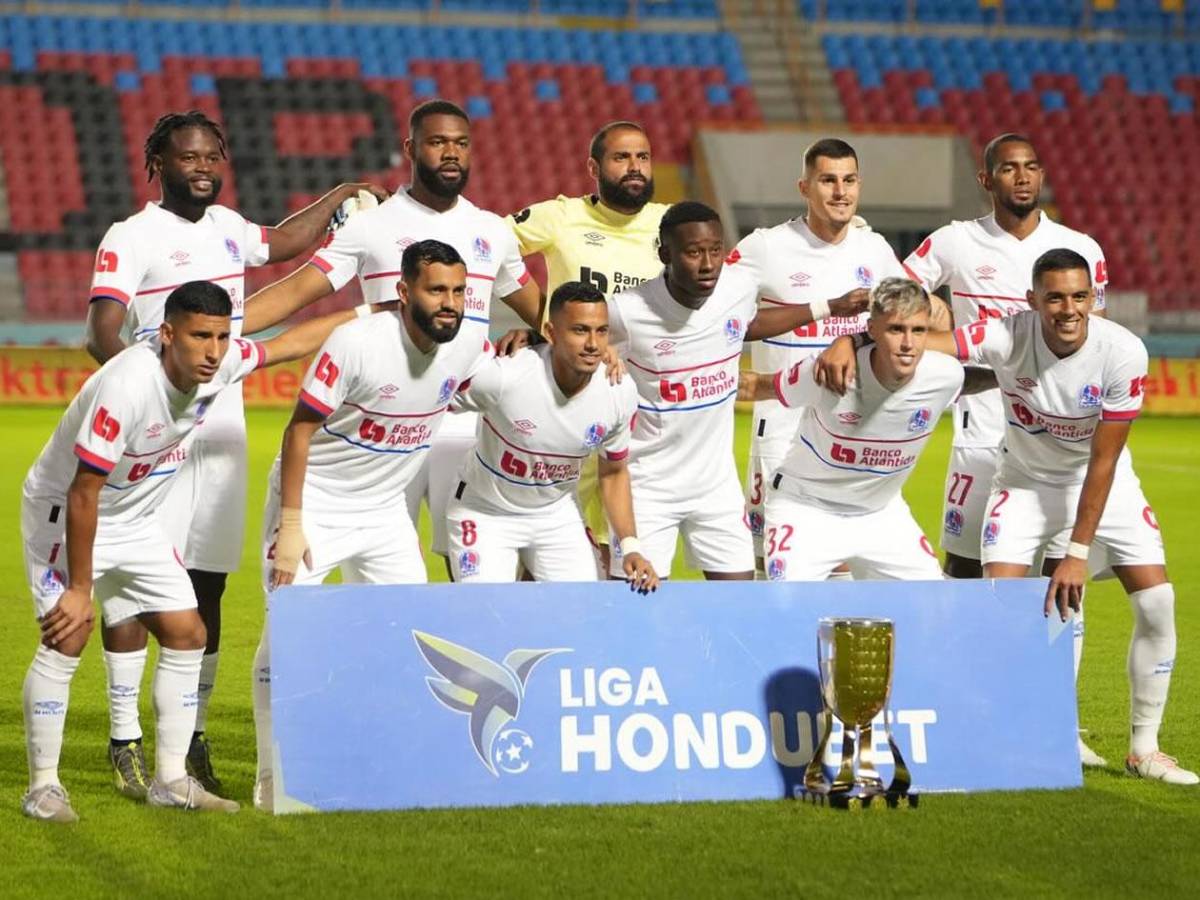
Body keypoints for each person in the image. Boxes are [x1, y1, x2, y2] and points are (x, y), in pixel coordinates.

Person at [84, 109, 386, 797]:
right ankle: (125, 738)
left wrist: (338, 195)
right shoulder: (131, 236)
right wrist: (145, 397)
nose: (201, 168)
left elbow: (282, 242)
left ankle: (189, 739)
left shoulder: (227, 229)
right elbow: (101, 331)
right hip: (154, 437)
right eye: (186, 157)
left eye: (210, 158)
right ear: (154, 163)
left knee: (209, 584)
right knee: (133, 583)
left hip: (221, 433)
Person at [815, 248, 1194, 786]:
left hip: (1103, 486)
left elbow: (1103, 462)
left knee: (1158, 602)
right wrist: (850, 338)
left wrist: (1076, 554)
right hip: (1023, 486)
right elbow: (916, 339)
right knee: (1001, 612)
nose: (1069, 309)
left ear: (1094, 299)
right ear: (1032, 300)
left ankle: (1144, 748)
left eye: (1080, 296)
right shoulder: (1005, 335)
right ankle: (1021, 734)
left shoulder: (1124, 352)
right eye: (1056, 297)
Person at [20, 281, 374, 822]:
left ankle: (170, 779)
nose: (212, 351)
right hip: (63, 515)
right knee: (68, 634)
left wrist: (369, 310)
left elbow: (286, 344)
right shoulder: (128, 386)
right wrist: (79, 589)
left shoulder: (222, 362)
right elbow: (82, 490)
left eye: (221, 337)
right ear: (166, 334)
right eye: (198, 337)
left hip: (134, 518)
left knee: (188, 633)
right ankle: (42, 788)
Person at [243, 99, 541, 569]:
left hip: (455, 415)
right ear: (410, 148)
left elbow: (536, 305)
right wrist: (222, 326)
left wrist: (538, 333)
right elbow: (299, 289)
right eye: (438, 142)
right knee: (380, 570)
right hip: (381, 426)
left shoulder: (492, 230)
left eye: (461, 144)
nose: (451, 153)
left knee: (465, 563)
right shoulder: (371, 224)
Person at [249, 240, 494, 810]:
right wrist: (291, 526)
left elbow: (512, 376)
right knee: (286, 642)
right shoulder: (355, 343)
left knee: (405, 637)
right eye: (437, 290)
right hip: (315, 506)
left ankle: (380, 763)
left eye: (459, 291)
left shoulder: (466, 348)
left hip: (384, 513)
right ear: (404, 292)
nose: (450, 303)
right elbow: (298, 432)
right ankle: (271, 776)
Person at [606, 201, 867, 580]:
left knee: (739, 603)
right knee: (635, 608)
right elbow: (578, 339)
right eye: (694, 252)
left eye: (716, 250)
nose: (708, 263)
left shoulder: (738, 287)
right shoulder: (626, 312)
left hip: (716, 487)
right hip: (649, 488)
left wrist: (829, 307)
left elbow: (748, 323)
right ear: (665, 253)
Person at [727, 138, 944, 574]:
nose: (840, 192)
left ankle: (839, 642)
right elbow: (727, 323)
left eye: (849, 181)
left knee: (845, 566)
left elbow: (902, 323)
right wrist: (825, 309)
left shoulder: (875, 250)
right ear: (805, 187)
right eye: (828, 180)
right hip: (782, 431)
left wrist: (855, 339)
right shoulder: (765, 247)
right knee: (772, 569)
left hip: (853, 432)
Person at [506, 121, 668, 569]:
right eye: (621, 158)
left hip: (649, 414)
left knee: (623, 559)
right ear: (594, 168)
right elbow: (487, 249)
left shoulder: (670, 225)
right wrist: (543, 324)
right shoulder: (562, 216)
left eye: (643, 157)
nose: (635, 167)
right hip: (568, 403)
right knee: (546, 550)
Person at [739, 278, 971, 581]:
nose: (907, 345)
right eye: (896, 329)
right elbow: (757, 385)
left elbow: (986, 377)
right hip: (806, 510)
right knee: (789, 611)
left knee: (933, 607)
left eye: (918, 330)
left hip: (881, 514)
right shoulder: (827, 371)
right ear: (871, 330)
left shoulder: (946, 375)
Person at [446, 281, 656, 588]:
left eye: (601, 331)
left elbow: (613, 473)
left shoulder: (619, 392)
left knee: (580, 611)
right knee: (486, 614)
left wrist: (631, 547)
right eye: (580, 330)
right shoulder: (505, 376)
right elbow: (434, 400)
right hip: (485, 511)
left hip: (555, 514)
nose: (593, 344)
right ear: (550, 332)